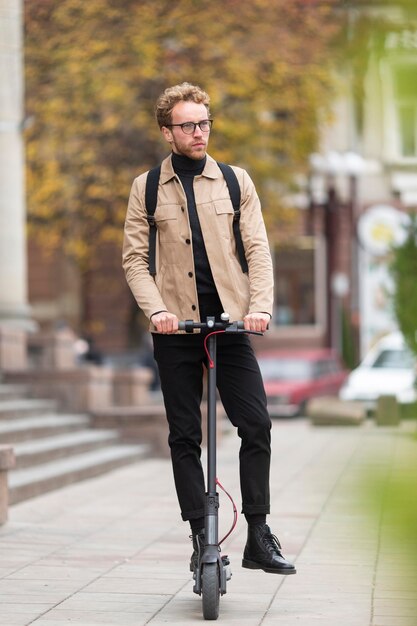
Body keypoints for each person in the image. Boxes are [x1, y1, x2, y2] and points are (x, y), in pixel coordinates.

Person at [123, 82, 296, 576]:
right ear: (167, 132)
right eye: (187, 125)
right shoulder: (148, 187)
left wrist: (259, 307)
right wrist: (157, 310)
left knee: (256, 423)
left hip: (230, 324)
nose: (199, 133)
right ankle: (202, 536)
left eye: (204, 123)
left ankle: (258, 533)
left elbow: (258, 250)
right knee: (184, 436)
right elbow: (135, 259)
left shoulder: (236, 181)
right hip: (174, 328)